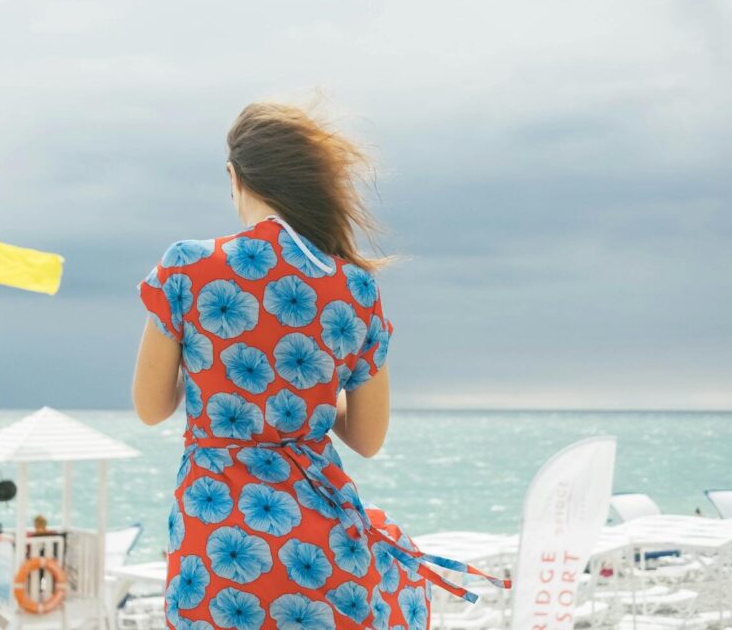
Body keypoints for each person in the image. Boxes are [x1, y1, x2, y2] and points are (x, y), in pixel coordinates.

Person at [131, 102, 509, 629]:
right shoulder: (355, 287)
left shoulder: (187, 267)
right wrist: (305, 402)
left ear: (234, 178)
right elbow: (368, 438)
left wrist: (215, 378)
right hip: (323, 548)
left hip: (216, 545)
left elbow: (151, 408)